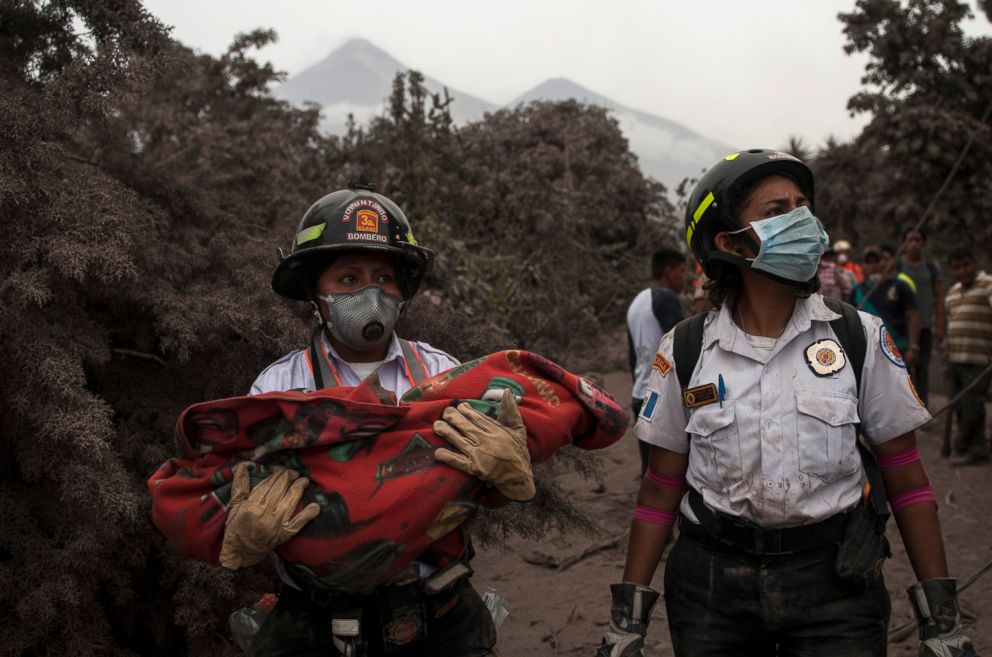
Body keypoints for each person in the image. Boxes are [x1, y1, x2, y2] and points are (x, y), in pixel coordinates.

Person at [597, 149, 975, 657]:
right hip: (711, 588)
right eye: (777, 212)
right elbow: (661, 488)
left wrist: (941, 621)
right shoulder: (685, 350)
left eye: (803, 206)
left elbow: (907, 478)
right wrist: (628, 624)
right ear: (729, 242)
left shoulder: (857, 337)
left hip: (836, 585)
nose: (803, 220)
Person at [227, 183, 523, 656]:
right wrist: (244, 533)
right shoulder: (279, 388)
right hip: (314, 624)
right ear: (314, 293)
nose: (370, 292)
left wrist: (505, 480)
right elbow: (242, 488)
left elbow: (476, 491)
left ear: (402, 290)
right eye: (347, 279)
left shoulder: (444, 374)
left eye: (383, 278)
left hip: (438, 619)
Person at [627, 248, 685, 474]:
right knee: (669, 471)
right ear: (668, 272)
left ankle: (646, 509)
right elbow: (682, 346)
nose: (684, 277)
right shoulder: (665, 298)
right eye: (681, 271)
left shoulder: (637, 302)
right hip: (660, 397)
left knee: (650, 469)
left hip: (640, 396)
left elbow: (633, 357)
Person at [944, 247, 992, 465]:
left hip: (979, 357)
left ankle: (962, 444)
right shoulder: (953, 293)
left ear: (974, 264)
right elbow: (950, 321)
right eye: (957, 268)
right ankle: (978, 447)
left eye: (966, 265)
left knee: (973, 404)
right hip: (956, 357)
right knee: (961, 405)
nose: (962, 271)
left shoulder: (987, 285)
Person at [851, 245, 921, 370]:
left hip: (898, 348)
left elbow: (913, 316)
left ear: (884, 263)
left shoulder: (900, 286)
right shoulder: (856, 291)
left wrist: (913, 346)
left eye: (877, 261)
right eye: (869, 262)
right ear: (863, 267)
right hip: (868, 351)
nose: (874, 266)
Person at [899, 228, 946, 407]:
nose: (914, 244)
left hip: (925, 326)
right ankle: (905, 408)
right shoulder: (899, 266)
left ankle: (922, 406)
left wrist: (940, 325)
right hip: (902, 327)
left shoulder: (931, 267)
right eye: (910, 240)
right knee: (903, 370)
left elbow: (939, 297)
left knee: (922, 369)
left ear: (923, 243)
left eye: (918, 240)